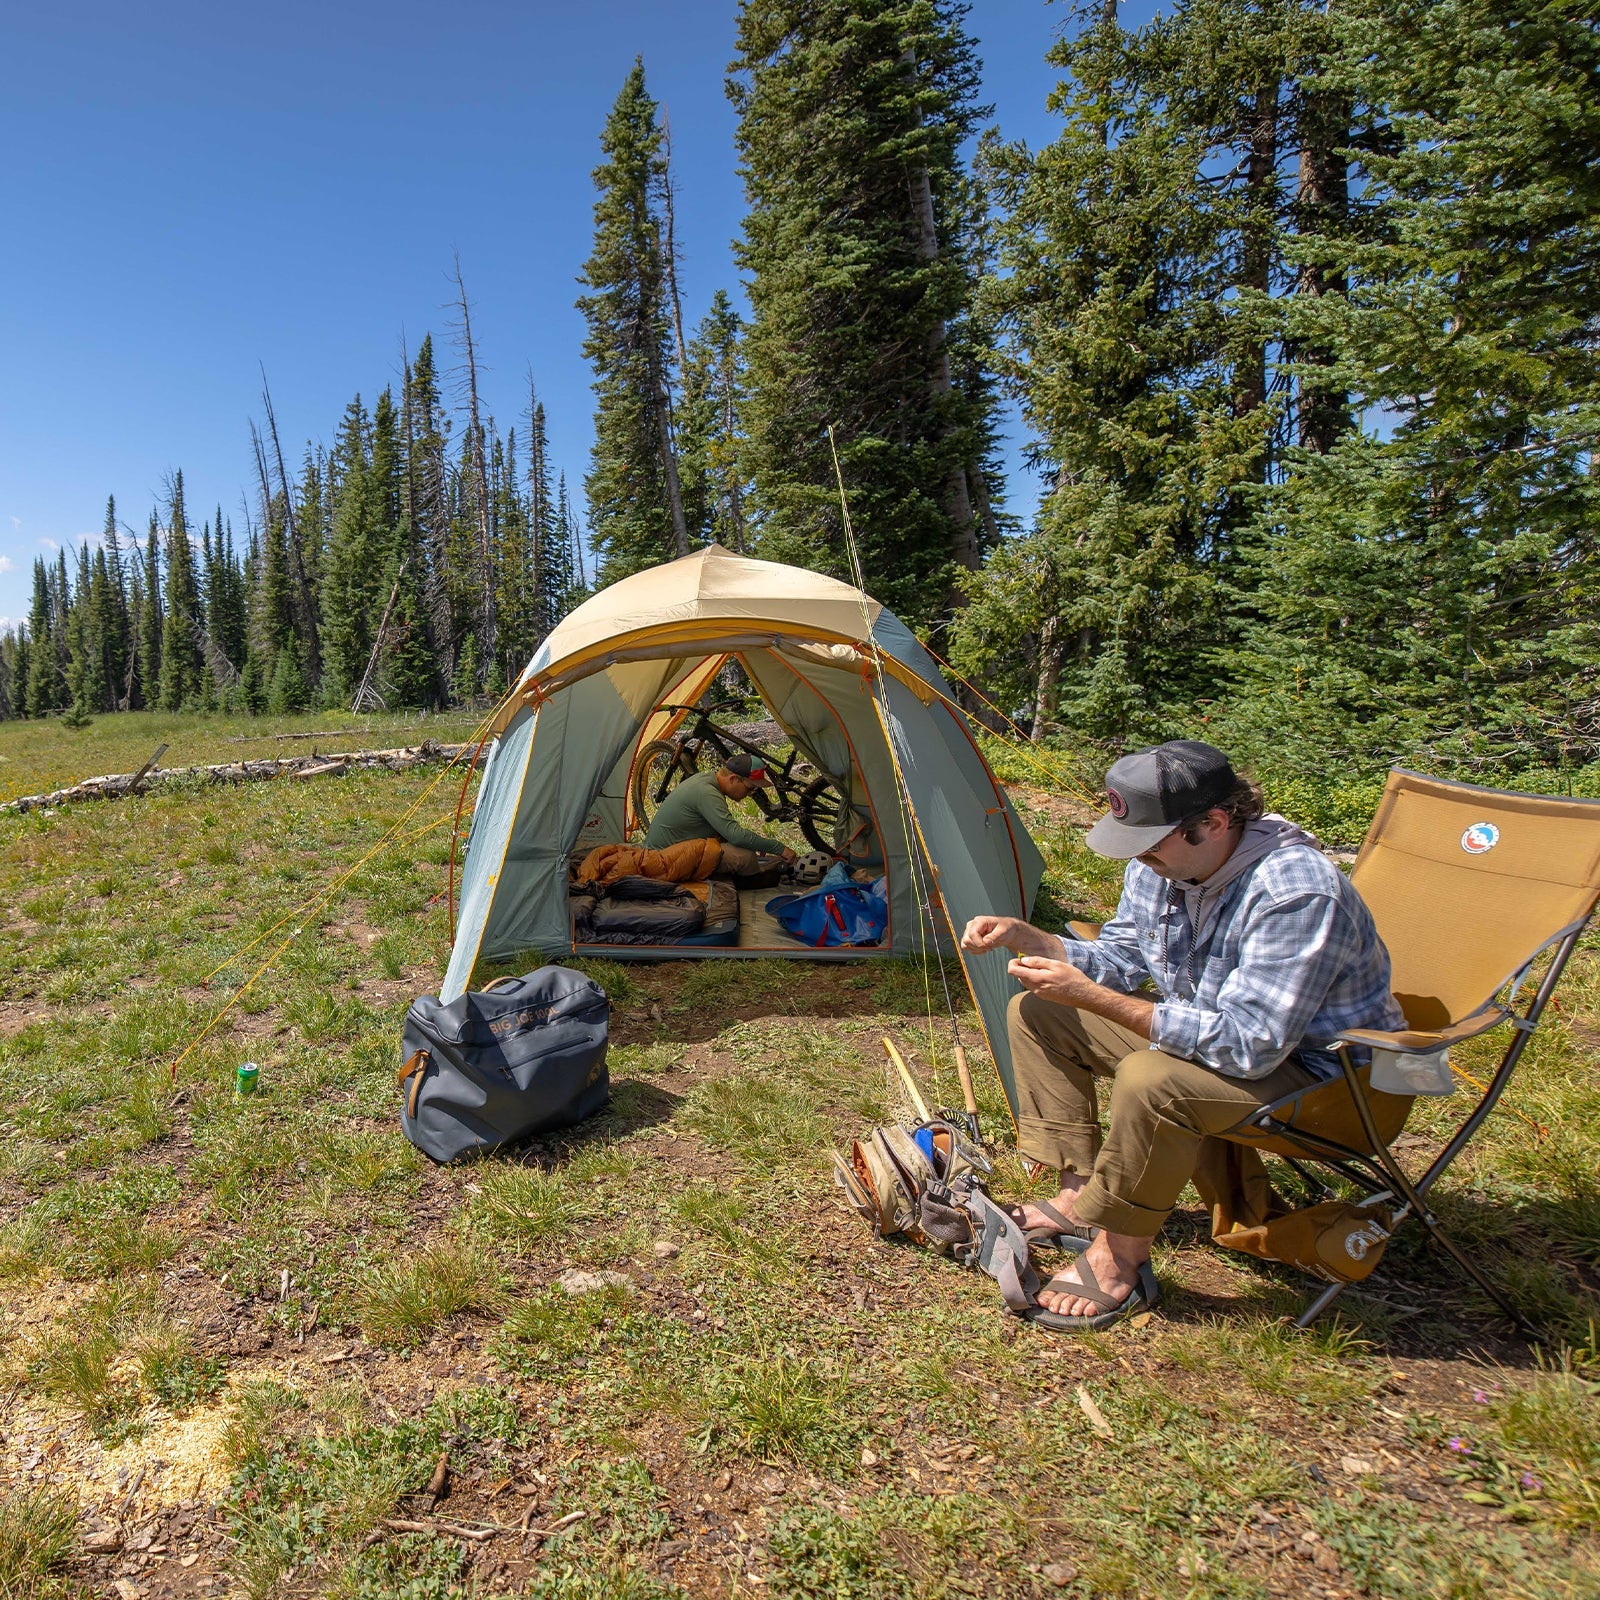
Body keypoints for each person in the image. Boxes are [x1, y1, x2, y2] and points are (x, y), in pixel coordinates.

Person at [961, 739, 1404, 1331]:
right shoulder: (1162, 866)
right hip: (1226, 1048)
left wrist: (1092, 996)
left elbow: (1250, 1045)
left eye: (1149, 843)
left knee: (1152, 1080)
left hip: (1329, 1087)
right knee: (1041, 1013)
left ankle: (1117, 1258)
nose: (1139, 857)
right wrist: (1033, 939)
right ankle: (1079, 1197)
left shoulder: (1294, 892)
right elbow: (1121, 958)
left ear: (1214, 823)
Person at [642, 752, 798, 874]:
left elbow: (723, 831)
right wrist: (779, 848)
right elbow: (736, 835)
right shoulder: (707, 793)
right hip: (662, 861)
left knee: (742, 848)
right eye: (750, 788)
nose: (750, 794)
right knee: (744, 857)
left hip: (664, 852)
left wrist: (756, 843)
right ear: (733, 779)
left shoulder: (706, 780)